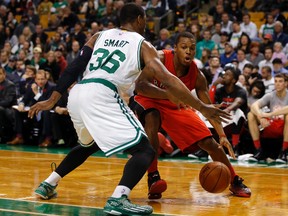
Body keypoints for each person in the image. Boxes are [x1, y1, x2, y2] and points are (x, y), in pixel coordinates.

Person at [28, 3, 231, 216]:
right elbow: (168, 79)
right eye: (144, 20)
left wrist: (53, 98)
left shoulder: (99, 36)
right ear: (140, 19)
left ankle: (49, 183)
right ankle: (118, 198)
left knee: (89, 144)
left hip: (78, 94)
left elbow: (74, 68)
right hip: (103, 95)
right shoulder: (143, 45)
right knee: (145, 150)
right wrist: (202, 107)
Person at [132, 32, 251, 198]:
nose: (188, 51)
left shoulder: (197, 75)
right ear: (175, 49)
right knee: (152, 119)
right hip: (148, 99)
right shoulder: (160, 58)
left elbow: (208, 108)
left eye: (192, 48)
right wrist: (166, 94)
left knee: (209, 142)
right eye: (184, 47)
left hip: (176, 105)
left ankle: (234, 179)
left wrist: (222, 135)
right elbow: (140, 86)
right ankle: (153, 177)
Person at [247, 73, 288, 162]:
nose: (277, 84)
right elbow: (254, 105)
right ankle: (258, 150)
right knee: (250, 115)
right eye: (276, 81)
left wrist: (269, 114)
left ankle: (284, 151)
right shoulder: (271, 95)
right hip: (271, 124)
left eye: (280, 81)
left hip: (284, 126)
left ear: (286, 83)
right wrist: (260, 116)